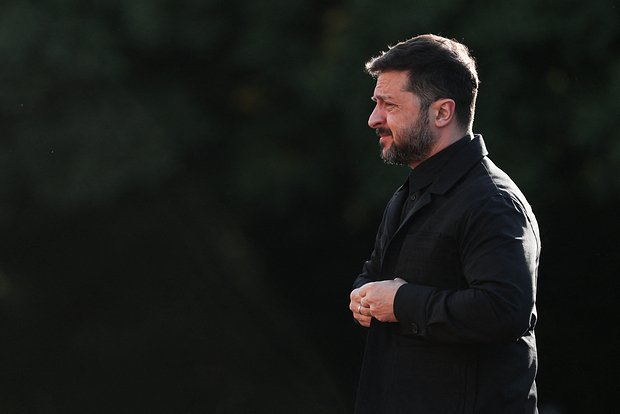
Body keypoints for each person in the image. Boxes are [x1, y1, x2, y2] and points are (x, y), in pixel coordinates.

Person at [348, 34, 540, 414]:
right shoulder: (410, 192)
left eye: (390, 105)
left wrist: (401, 302)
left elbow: (504, 310)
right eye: (376, 103)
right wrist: (364, 296)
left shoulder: (493, 201)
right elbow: (377, 274)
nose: (374, 119)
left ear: (442, 113)